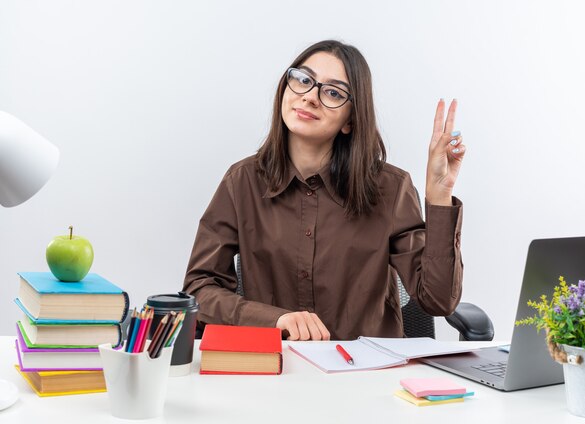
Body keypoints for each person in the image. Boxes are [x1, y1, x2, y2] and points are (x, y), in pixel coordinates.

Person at [183, 39, 466, 341]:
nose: (309, 97)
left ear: (350, 120)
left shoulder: (390, 189)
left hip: (365, 374)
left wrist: (439, 196)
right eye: (303, 80)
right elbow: (200, 288)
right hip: (277, 370)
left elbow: (437, 301)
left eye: (332, 92)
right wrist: (273, 319)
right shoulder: (242, 182)